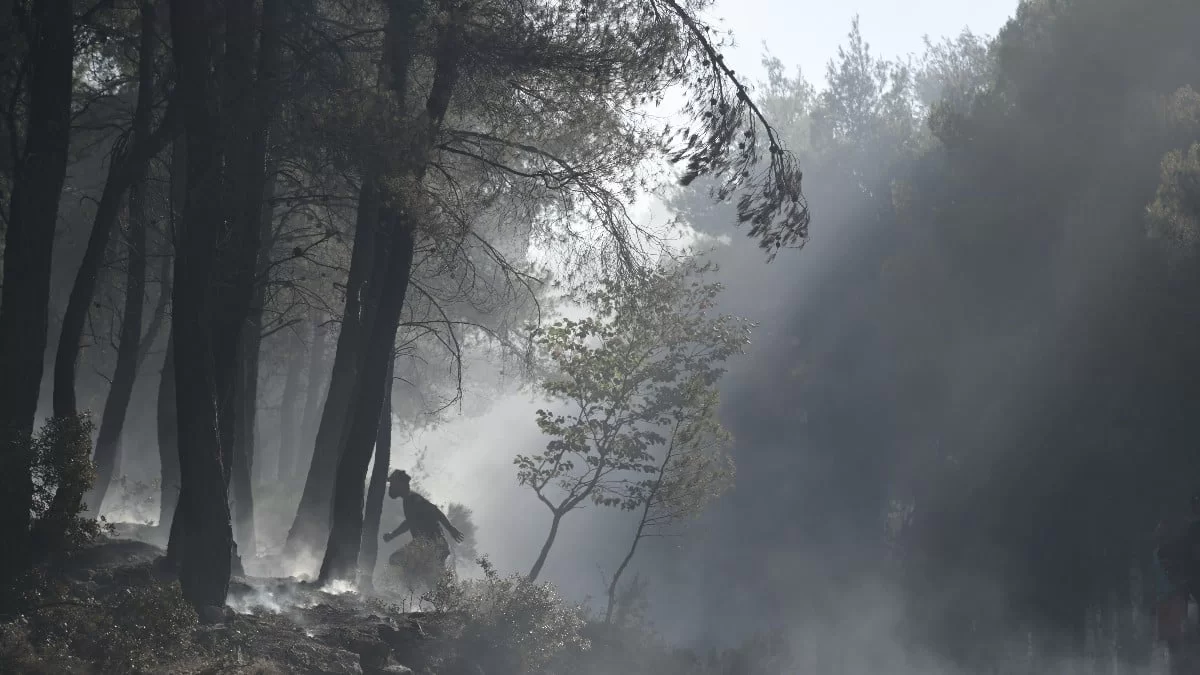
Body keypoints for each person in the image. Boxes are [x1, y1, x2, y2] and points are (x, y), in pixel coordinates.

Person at [381, 470, 465, 587]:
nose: (391, 486)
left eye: (393, 483)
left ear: (401, 484)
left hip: (433, 544)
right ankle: (412, 593)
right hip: (427, 545)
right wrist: (393, 534)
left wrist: (451, 529)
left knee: (398, 560)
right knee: (426, 578)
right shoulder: (408, 500)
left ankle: (410, 593)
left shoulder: (412, 498)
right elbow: (410, 522)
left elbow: (435, 510)